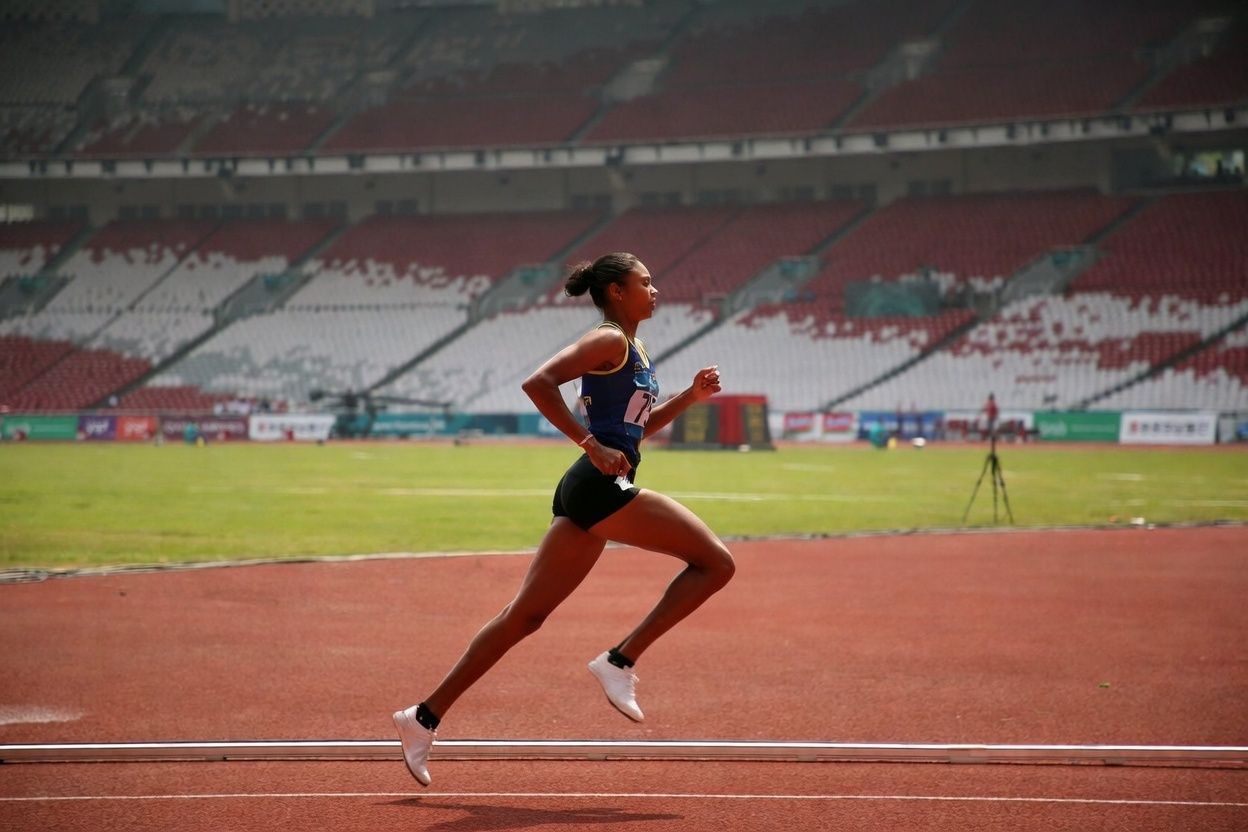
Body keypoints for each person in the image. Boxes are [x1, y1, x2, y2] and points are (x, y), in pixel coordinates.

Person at [392, 252, 736, 786]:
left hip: (590, 486)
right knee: (715, 564)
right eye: (645, 282)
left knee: (523, 618)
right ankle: (620, 660)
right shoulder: (609, 341)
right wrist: (590, 443)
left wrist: (690, 397)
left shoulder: (634, 347)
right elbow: (538, 383)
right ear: (617, 291)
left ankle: (422, 718)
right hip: (599, 487)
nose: (655, 290)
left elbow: (634, 434)